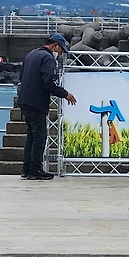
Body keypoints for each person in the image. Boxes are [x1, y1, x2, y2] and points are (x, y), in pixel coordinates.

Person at [19, 34, 76, 180]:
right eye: (61, 50)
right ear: (55, 46)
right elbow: (48, 83)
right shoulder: (48, 58)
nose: (61, 54)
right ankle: (35, 170)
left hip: (24, 100)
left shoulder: (32, 54)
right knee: (40, 137)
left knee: (31, 136)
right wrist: (65, 94)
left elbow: (21, 76)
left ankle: (26, 169)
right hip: (36, 102)